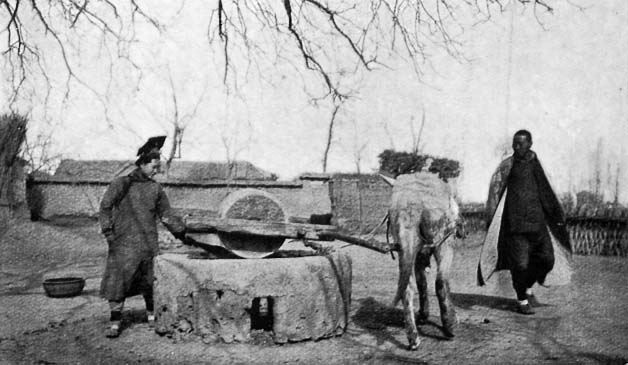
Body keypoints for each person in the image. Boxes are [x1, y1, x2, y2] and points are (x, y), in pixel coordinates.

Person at [477, 129, 572, 315]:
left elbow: (547, 191)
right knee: (519, 266)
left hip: (538, 227)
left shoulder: (537, 165)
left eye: (520, 143)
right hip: (515, 228)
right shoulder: (507, 166)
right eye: (514, 143)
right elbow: (495, 191)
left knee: (547, 260)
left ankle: (527, 288)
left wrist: (556, 216)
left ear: (530, 144)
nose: (516, 147)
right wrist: (492, 221)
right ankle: (521, 300)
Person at [99, 136, 186, 338]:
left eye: (158, 167)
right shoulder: (122, 184)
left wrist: (182, 232)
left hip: (148, 243)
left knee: (149, 281)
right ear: (143, 163)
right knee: (118, 282)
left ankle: (151, 317)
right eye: (154, 167)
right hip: (123, 242)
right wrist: (108, 233)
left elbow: (166, 214)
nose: (156, 171)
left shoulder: (156, 189)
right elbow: (105, 208)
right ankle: (115, 322)